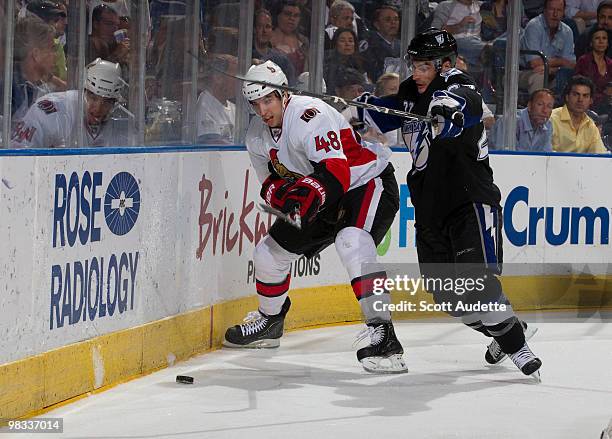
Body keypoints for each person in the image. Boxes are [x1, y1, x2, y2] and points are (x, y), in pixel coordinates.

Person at [353, 28, 542, 379]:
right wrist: (360, 110)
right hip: (429, 209)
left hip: (468, 200)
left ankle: (519, 349)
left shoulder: (460, 88)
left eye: (425, 66)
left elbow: (462, 104)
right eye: (414, 65)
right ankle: (508, 329)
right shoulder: (411, 92)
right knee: (450, 299)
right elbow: (389, 113)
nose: (417, 73)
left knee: (478, 284)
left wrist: (447, 112)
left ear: (445, 65)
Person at [222, 60, 407, 374]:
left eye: (269, 100)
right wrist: (284, 196)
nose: (263, 110)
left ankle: (385, 336)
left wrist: (306, 193)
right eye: (256, 104)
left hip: (365, 182)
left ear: (284, 95)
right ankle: (270, 321)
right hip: (324, 194)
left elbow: (336, 172)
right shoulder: (256, 135)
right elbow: (268, 183)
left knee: (352, 241)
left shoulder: (310, 114)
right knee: (268, 255)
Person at [10, 58, 128, 148]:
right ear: (83, 91)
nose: (98, 108)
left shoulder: (121, 124)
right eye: (93, 97)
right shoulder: (50, 111)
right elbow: (17, 156)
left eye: (107, 102)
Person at [551, 75, 607, 153]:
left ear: (591, 101)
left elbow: (600, 155)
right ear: (567, 97)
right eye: (576, 94)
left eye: (585, 96)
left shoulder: (590, 126)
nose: (580, 100)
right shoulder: (552, 119)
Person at [490, 88, 555, 151]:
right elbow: (504, 156)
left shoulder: (548, 125)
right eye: (540, 104)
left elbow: (546, 156)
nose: (545, 110)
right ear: (529, 106)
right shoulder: (509, 122)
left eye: (549, 106)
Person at [575, 27, 612, 113]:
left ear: (608, 44)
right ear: (591, 43)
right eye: (597, 38)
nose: (601, 41)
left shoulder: (610, 64)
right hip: (589, 105)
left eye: (604, 38)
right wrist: (604, 96)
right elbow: (579, 87)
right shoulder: (584, 61)